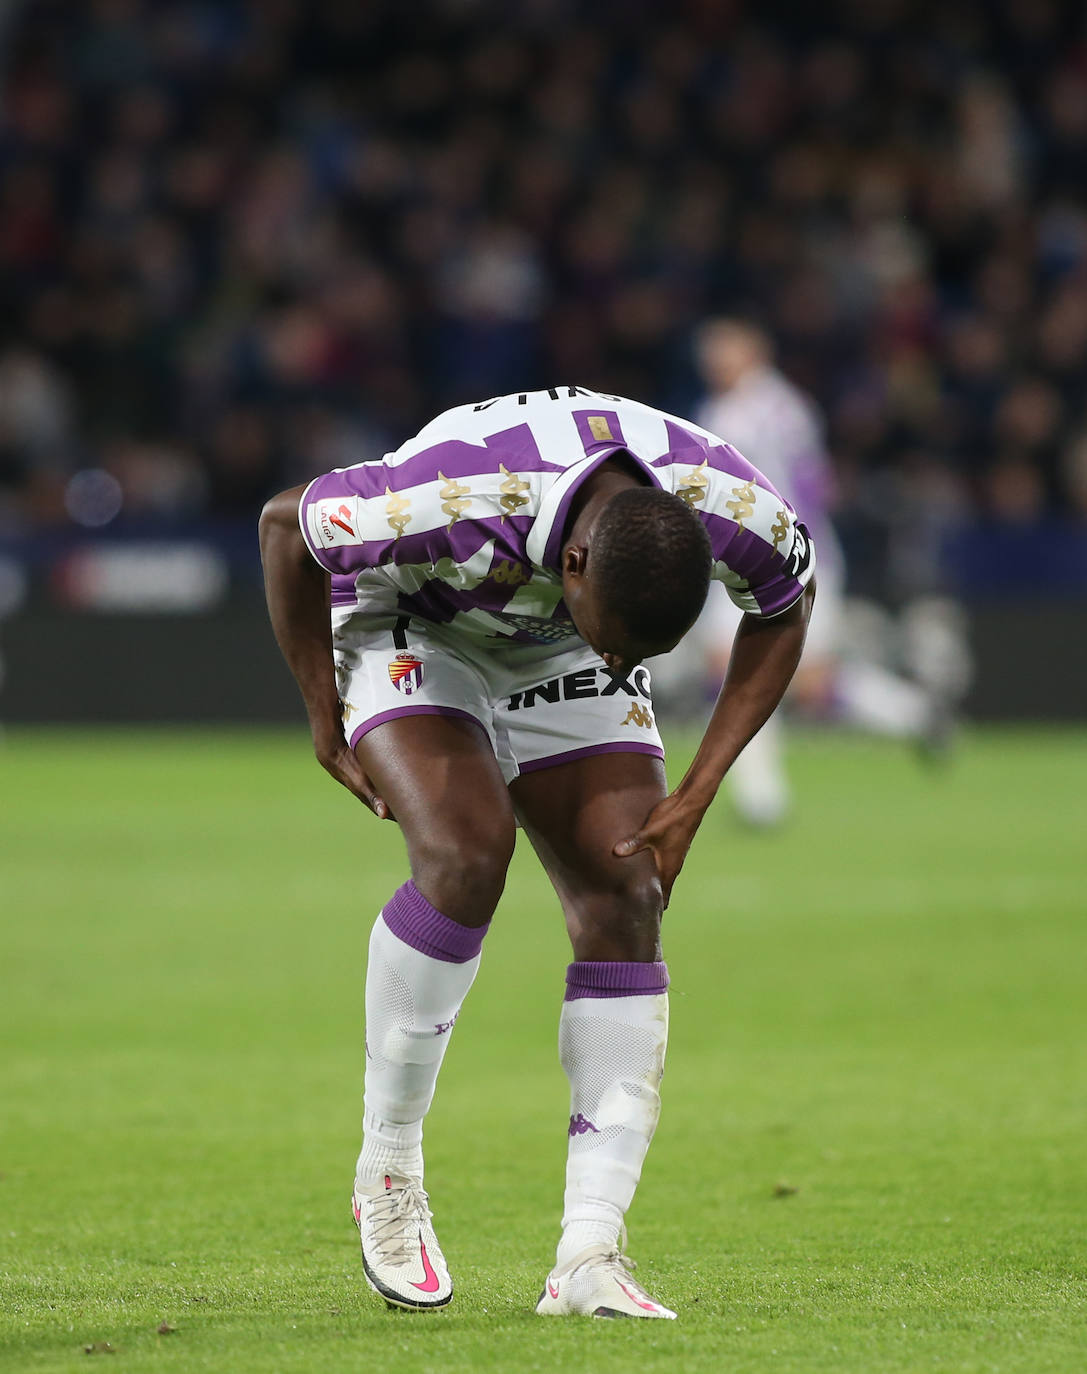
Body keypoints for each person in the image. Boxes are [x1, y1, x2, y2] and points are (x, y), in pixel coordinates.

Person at [259, 384, 815, 1319]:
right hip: (416, 617)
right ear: (576, 559)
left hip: (554, 634)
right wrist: (324, 713)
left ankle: (590, 1252)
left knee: (627, 887)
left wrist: (698, 787)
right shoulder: (444, 500)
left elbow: (784, 606)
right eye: (626, 642)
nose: (625, 666)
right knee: (466, 856)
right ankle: (388, 1171)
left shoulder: (730, 504)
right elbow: (285, 527)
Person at [681, 318, 942, 826]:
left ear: (751, 353)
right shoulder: (793, 404)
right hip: (808, 546)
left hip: (757, 551)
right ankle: (909, 716)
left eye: (722, 352)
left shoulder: (730, 413)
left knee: (769, 677)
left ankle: (766, 798)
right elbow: (819, 484)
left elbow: (710, 490)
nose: (713, 362)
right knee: (784, 678)